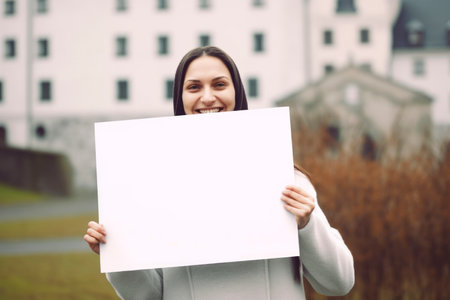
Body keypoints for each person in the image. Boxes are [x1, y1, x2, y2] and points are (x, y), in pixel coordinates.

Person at [84, 46, 354, 300]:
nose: (208, 97)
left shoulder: (285, 177)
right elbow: (150, 295)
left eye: (219, 84)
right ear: (180, 98)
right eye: (193, 87)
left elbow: (338, 283)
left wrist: (308, 226)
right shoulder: (153, 185)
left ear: (237, 92)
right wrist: (117, 253)